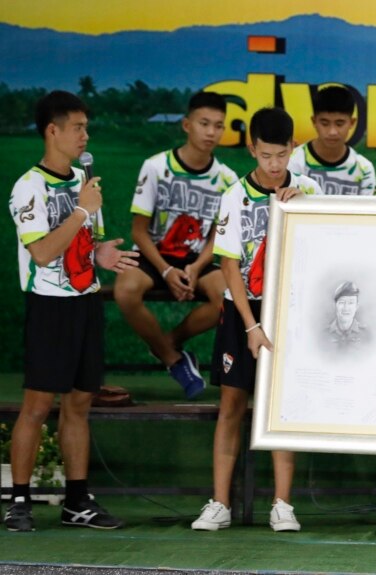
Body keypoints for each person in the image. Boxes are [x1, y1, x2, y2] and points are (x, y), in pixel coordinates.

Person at [4, 90, 139, 532]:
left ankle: (77, 501)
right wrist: (82, 211)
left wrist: (103, 255)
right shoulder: (29, 186)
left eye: (86, 127)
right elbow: (42, 253)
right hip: (49, 307)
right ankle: (19, 502)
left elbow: (84, 243)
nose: (85, 135)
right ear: (52, 131)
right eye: (77, 127)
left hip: (86, 302)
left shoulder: (85, 183)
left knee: (80, 403)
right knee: (38, 406)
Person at [191, 107, 323, 532]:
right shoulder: (234, 194)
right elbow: (229, 266)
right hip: (242, 310)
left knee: (280, 408)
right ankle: (219, 504)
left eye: (281, 155)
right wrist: (250, 326)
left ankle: (283, 504)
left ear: (293, 149)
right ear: (252, 150)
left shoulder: (309, 188)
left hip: (289, 311)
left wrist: (306, 209)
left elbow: (331, 243)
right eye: (265, 155)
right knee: (232, 404)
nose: (273, 165)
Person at [113, 91, 238, 399]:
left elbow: (217, 236)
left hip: (197, 257)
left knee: (230, 295)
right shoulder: (156, 167)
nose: (211, 132)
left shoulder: (226, 178)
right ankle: (174, 360)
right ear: (186, 124)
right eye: (204, 123)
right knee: (125, 290)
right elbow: (139, 232)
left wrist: (195, 267)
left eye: (218, 126)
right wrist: (167, 270)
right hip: (154, 255)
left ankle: (169, 343)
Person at [288, 85, 376, 196]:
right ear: (314, 121)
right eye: (325, 123)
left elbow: (369, 212)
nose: (332, 132)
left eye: (339, 124)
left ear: (352, 123)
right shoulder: (293, 162)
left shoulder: (364, 169)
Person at [327, 281, 368, 347]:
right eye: (342, 302)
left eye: (351, 303)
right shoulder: (323, 335)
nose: (346, 308)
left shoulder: (366, 336)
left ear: (356, 306)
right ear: (335, 305)